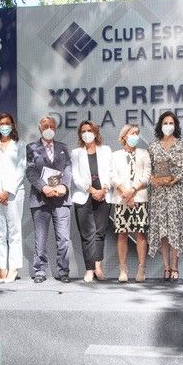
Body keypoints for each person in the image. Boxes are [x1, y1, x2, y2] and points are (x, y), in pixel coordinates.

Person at [26, 115, 73, 283]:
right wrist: (43, 187)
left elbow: (68, 169)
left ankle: (63, 271)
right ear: (40, 128)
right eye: (45, 126)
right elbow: (30, 171)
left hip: (61, 198)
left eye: (52, 126)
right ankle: (39, 271)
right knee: (40, 238)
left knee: (63, 238)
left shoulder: (63, 147)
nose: (49, 129)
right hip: (40, 198)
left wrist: (64, 186)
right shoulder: (31, 148)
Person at [148, 111, 183, 282]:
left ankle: (175, 267)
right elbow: (148, 170)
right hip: (158, 194)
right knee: (162, 232)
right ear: (160, 125)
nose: (168, 126)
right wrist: (154, 180)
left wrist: (174, 179)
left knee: (174, 230)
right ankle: (166, 267)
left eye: (171, 123)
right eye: (165, 123)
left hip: (176, 193)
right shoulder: (153, 146)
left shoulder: (182, 145)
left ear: (175, 126)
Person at [0, 113, 26, 283]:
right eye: (1, 123)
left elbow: (20, 169)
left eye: (7, 123)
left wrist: (7, 190)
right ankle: (2, 267)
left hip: (14, 193)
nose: (4, 126)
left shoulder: (20, 145)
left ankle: (14, 267)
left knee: (14, 232)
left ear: (12, 125)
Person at [70, 120, 112, 282]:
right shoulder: (76, 153)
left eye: (89, 130)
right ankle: (89, 269)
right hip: (84, 196)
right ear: (80, 134)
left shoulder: (106, 150)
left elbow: (110, 171)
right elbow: (76, 177)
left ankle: (98, 267)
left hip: (104, 195)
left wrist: (104, 189)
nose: (87, 133)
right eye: (83, 131)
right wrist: (93, 190)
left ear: (96, 132)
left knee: (100, 233)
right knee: (87, 235)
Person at [110, 124, 150, 283]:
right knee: (122, 234)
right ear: (124, 136)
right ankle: (123, 269)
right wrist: (125, 193)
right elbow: (112, 177)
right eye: (132, 133)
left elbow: (147, 175)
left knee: (140, 233)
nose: (135, 136)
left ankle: (141, 269)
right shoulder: (115, 155)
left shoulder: (144, 153)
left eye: (137, 133)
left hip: (140, 198)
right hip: (121, 200)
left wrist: (132, 190)